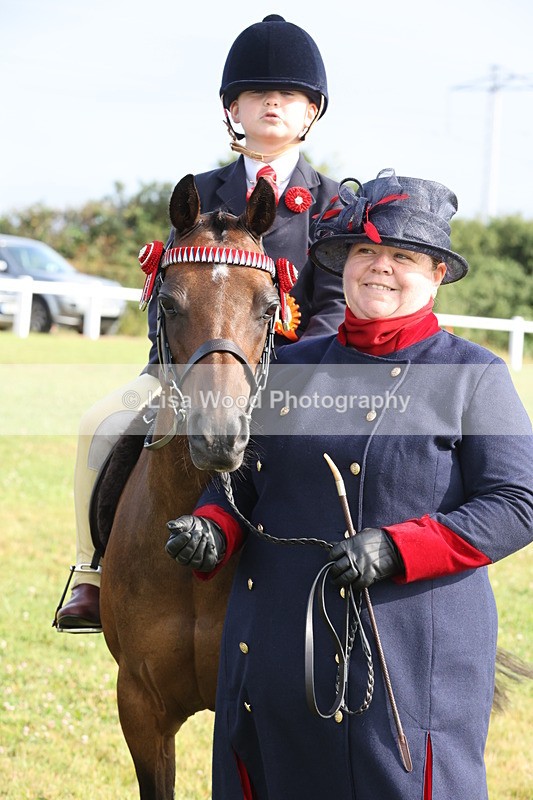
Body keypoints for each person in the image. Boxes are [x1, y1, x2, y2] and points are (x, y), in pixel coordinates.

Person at [165, 168, 533, 799]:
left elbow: (518, 503)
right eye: (366, 251)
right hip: (276, 650)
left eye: (403, 256)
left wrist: (399, 547)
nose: (380, 267)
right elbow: (246, 479)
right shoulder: (291, 363)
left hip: (404, 658)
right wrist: (214, 526)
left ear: (437, 273)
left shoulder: (476, 374)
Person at [55, 14, 344, 632]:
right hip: (187, 369)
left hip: (293, 374)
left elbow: (335, 304)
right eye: (257, 93)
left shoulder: (334, 205)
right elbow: (168, 294)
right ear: (231, 107)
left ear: (311, 111)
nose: (273, 102)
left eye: (289, 94)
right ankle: (91, 575)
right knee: (95, 424)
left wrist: (292, 375)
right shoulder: (198, 191)